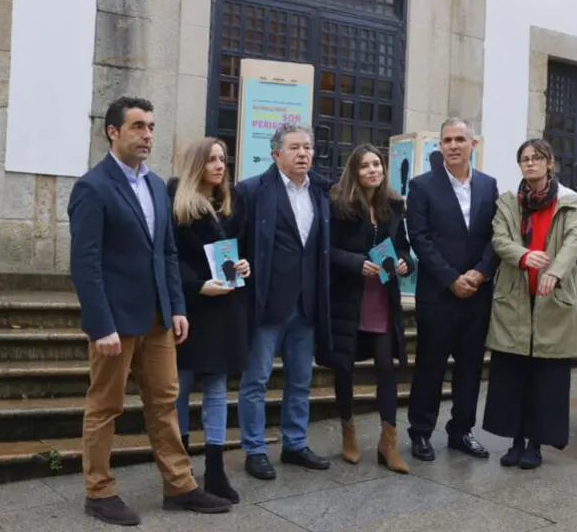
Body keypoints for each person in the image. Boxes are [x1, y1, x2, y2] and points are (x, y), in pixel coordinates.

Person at [68, 96, 230, 526]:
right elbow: (85, 264)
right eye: (138, 126)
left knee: (165, 403)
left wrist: (177, 306)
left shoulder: (158, 185)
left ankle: (179, 486)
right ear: (113, 132)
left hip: (159, 319)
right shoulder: (93, 187)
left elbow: (168, 253)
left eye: (151, 127)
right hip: (115, 324)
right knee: (106, 407)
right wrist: (101, 324)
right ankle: (99, 492)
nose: (147, 135)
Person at [236, 123, 333, 481]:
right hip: (266, 304)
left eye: (307, 147)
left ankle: (294, 443)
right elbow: (235, 243)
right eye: (295, 148)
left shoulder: (321, 192)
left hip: (306, 305)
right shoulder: (251, 191)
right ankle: (255, 449)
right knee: (256, 380)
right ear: (276, 154)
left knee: (300, 380)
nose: (304, 154)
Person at [483, 138, 577, 470]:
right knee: (513, 376)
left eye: (536, 158)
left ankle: (535, 444)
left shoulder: (569, 201)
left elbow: (573, 240)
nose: (530, 164)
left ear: (550, 162)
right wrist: (525, 256)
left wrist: (554, 272)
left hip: (550, 298)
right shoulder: (509, 202)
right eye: (524, 159)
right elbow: (500, 240)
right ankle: (514, 442)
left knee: (546, 378)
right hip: (514, 296)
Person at [405, 118, 499, 462]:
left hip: (477, 294)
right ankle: (421, 432)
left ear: (473, 144)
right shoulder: (422, 186)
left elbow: (496, 236)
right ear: (440, 146)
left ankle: (461, 431)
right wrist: (450, 278)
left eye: (461, 139)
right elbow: (420, 238)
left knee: (471, 367)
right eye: (447, 140)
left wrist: (480, 273)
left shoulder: (489, 186)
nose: (454, 145)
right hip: (438, 295)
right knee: (430, 366)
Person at [320, 143, 413, 472]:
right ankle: (348, 432)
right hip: (349, 299)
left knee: (387, 367)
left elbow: (402, 248)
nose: (374, 170)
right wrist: (356, 263)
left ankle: (388, 443)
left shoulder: (394, 205)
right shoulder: (338, 204)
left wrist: (403, 264)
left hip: (382, 299)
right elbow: (327, 251)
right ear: (354, 172)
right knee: (344, 368)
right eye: (366, 166)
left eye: (378, 164)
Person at [167, 137, 249, 504]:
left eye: (223, 159)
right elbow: (169, 257)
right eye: (213, 159)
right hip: (191, 305)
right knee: (181, 388)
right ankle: (179, 474)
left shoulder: (231, 205)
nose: (220, 165)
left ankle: (215, 470)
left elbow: (234, 254)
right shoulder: (177, 200)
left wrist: (244, 266)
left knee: (217, 386)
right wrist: (199, 286)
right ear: (197, 163)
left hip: (225, 306)